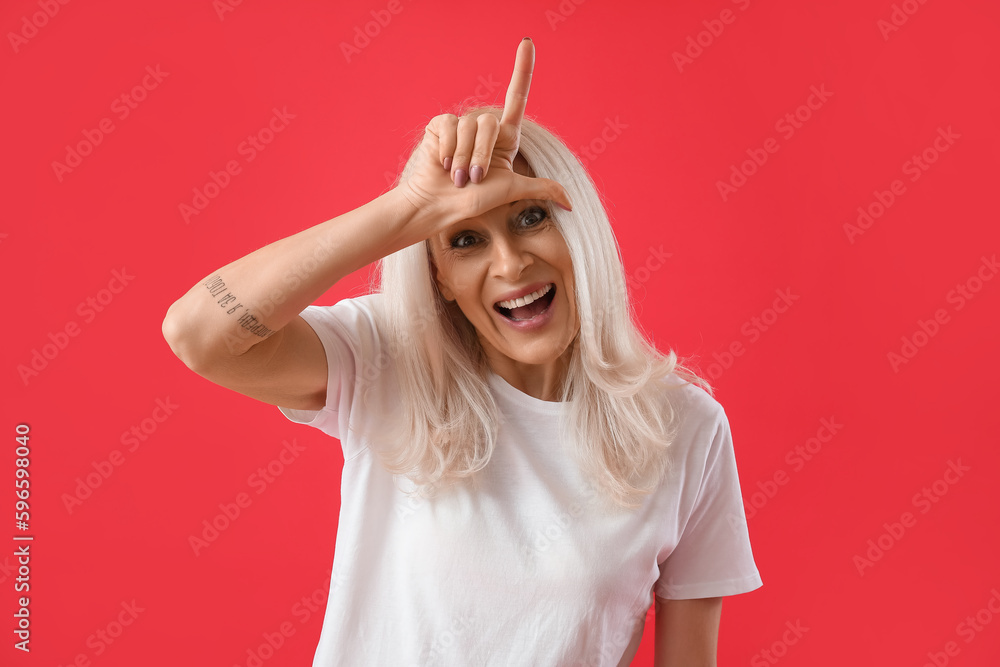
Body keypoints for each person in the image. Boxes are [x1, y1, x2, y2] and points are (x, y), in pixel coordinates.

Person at [162, 38, 762, 667]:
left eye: (531, 216)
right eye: (467, 239)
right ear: (439, 278)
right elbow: (198, 334)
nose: (511, 263)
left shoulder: (686, 428)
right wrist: (408, 210)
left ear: (577, 224)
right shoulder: (386, 358)